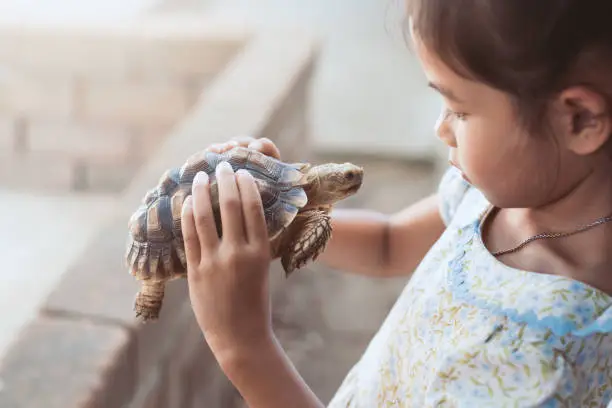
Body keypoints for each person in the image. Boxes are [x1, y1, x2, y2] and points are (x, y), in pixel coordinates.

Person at [179, 0, 612, 406]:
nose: (440, 127)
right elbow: (390, 243)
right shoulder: (493, 196)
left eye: (459, 109)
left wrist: (243, 347)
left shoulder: (535, 363)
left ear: (580, 119)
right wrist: (282, 214)